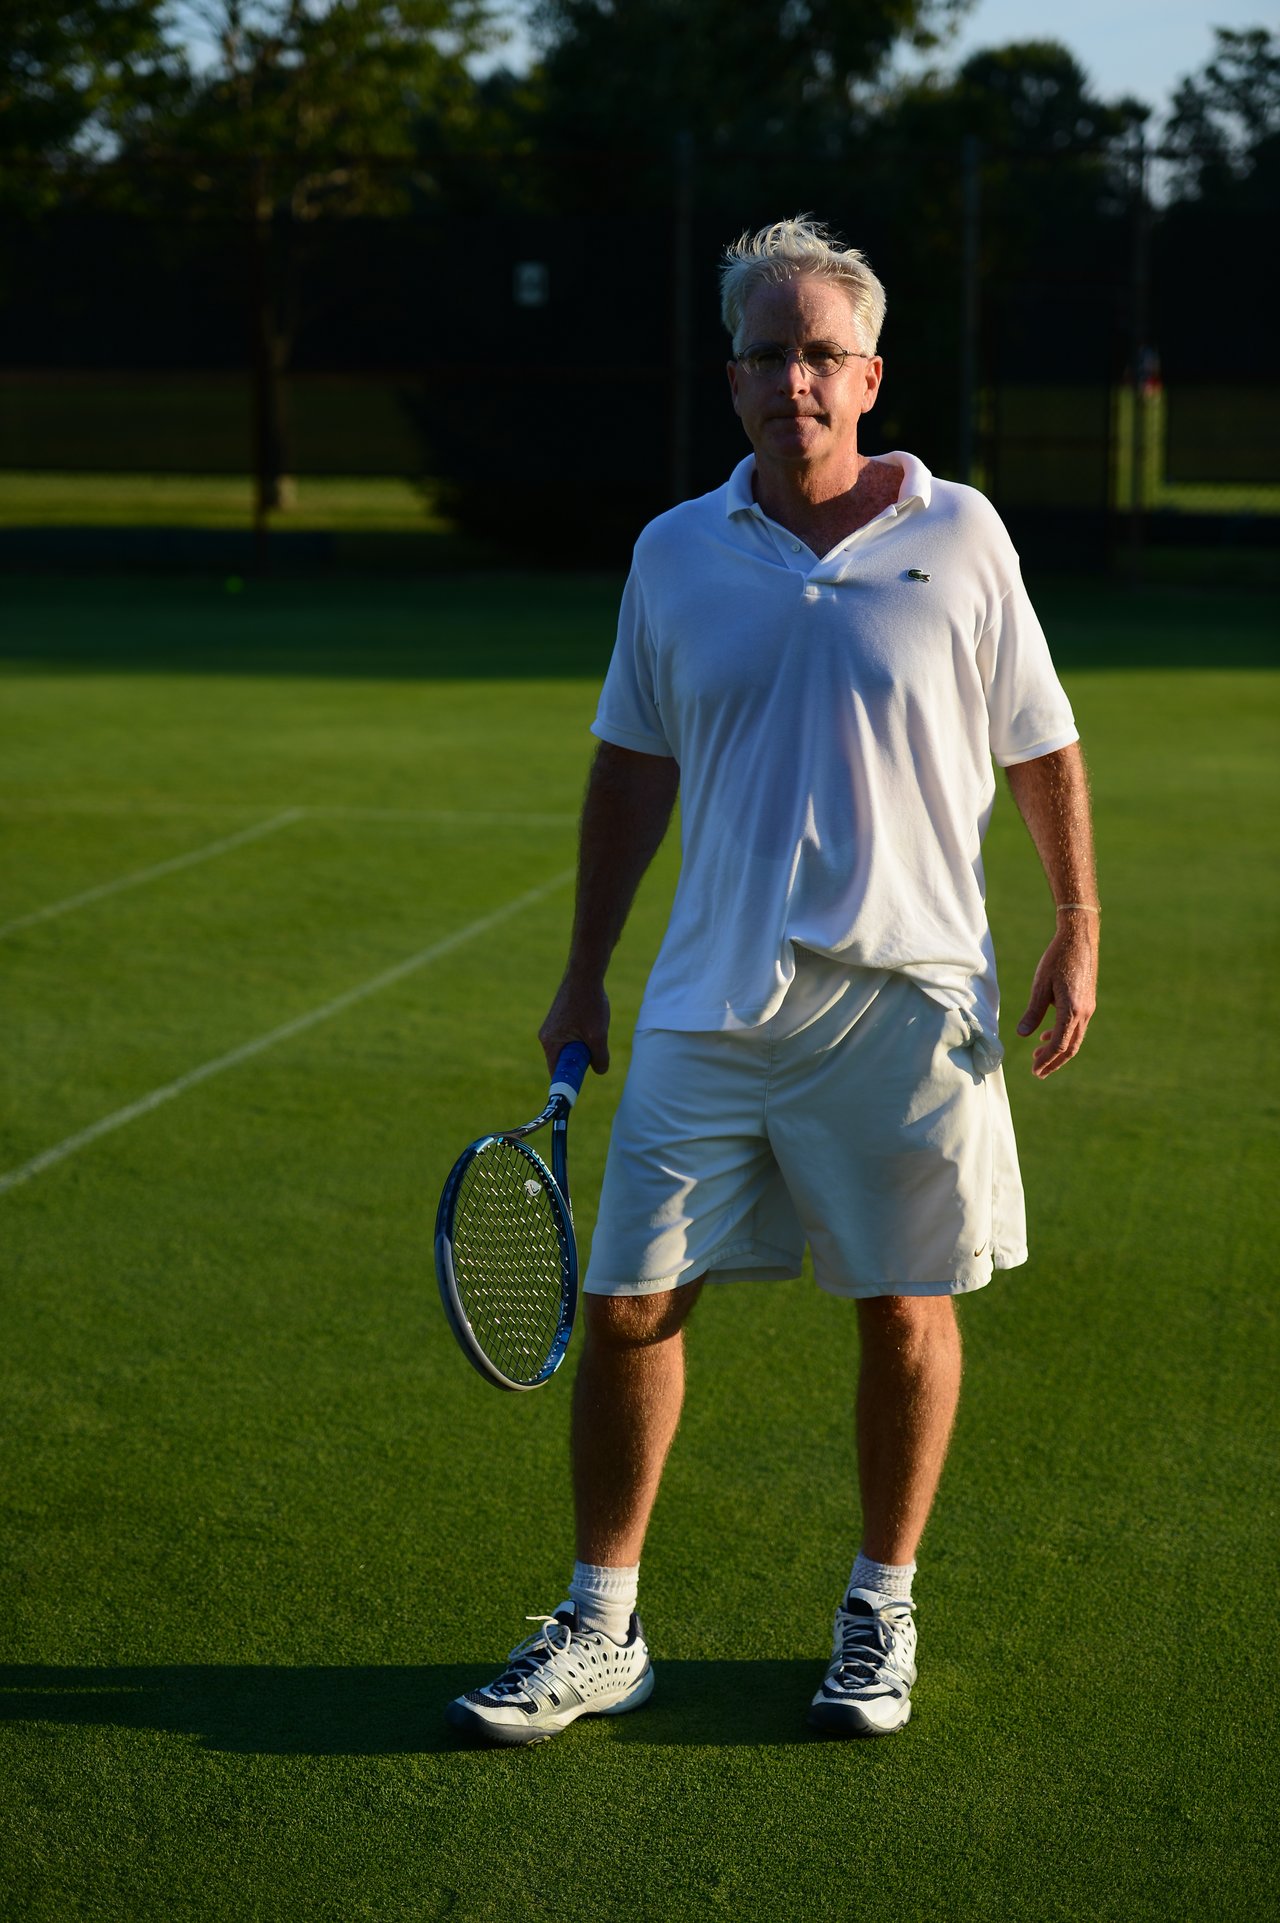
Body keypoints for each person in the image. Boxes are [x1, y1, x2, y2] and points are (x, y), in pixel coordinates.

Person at [447, 215, 1099, 1746]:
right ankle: (603, 1627)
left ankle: (881, 1611)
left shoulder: (965, 534)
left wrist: (1077, 919)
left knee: (902, 1312)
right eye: (765, 351)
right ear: (729, 376)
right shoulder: (672, 552)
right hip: (706, 1002)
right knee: (624, 1308)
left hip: (911, 998)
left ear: (869, 376)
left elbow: (1042, 742)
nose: (791, 378)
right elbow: (628, 770)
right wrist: (581, 974)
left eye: (820, 353)